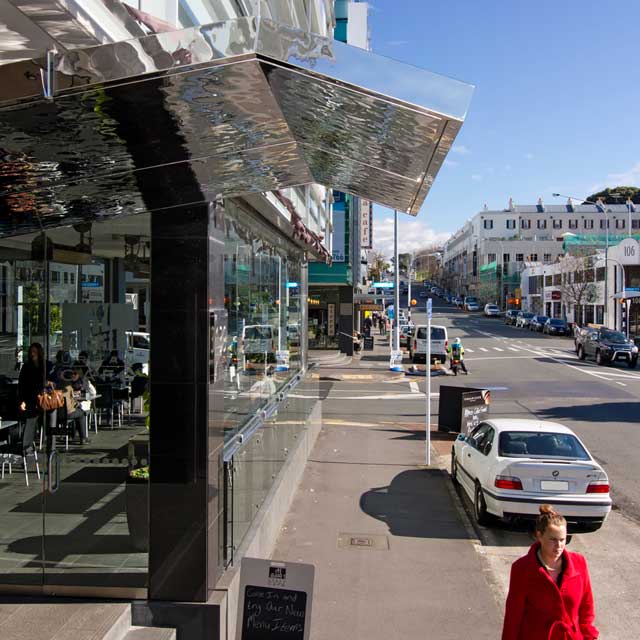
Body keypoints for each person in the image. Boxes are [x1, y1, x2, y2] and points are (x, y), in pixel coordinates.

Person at [502, 505, 599, 640]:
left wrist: (589, 636)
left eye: (562, 539)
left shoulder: (579, 563)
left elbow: (586, 607)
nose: (558, 545)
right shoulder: (522, 568)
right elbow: (513, 615)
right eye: (553, 539)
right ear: (539, 536)